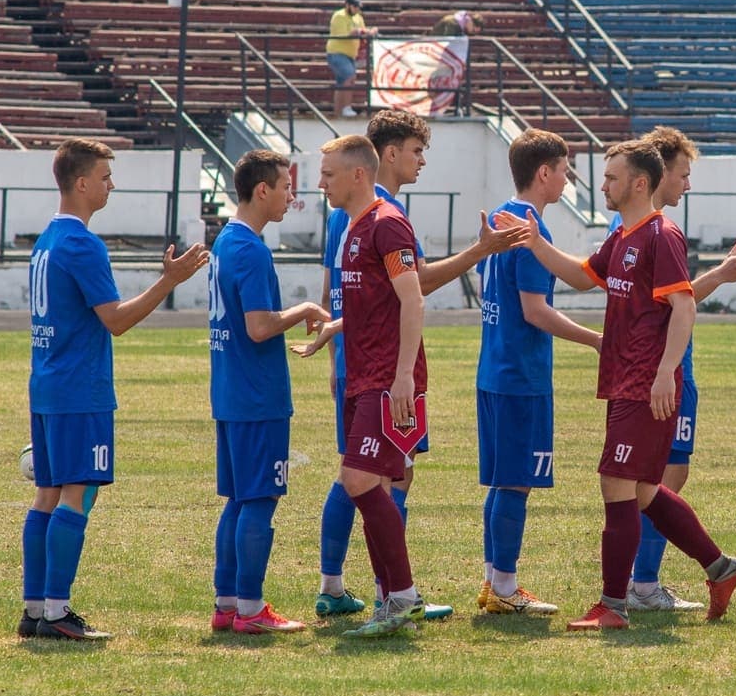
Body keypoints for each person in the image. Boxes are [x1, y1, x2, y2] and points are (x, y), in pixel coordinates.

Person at [518, 139, 736, 631]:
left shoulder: (661, 235)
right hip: (626, 379)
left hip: (646, 382)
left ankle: (613, 606)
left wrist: (665, 372)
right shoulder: (623, 235)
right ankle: (720, 568)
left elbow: (684, 307)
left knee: (618, 485)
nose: (602, 185)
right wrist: (534, 242)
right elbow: (583, 277)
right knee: (642, 490)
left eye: (611, 178)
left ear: (639, 183)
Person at [301, 107, 521, 616]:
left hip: (364, 362)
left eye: (327, 176)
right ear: (387, 155)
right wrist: (478, 252)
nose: (422, 161)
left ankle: (369, 590)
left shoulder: (361, 217)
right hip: (377, 368)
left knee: (375, 474)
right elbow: (412, 288)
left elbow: (349, 291)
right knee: (367, 477)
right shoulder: (372, 216)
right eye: (417, 151)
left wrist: (334, 337)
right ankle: (384, 592)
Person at [21, 139, 207, 641]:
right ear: (81, 183)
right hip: (80, 389)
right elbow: (116, 320)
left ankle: (35, 607)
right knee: (75, 495)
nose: (111, 184)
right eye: (104, 176)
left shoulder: (45, 241)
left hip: (48, 385)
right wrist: (168, 282)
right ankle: (57, 613)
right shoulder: (82, 243)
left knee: (48, 495)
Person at [621, 126, 736, 613]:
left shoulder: (645, 229)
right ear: (657, 175)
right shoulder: (658, 231)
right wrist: (718, 277)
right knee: (660, 480)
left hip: (660, 367)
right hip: (665, 370)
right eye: (683, 174)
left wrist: (717, 277)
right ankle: (642, 585)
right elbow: (677, 305)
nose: (687, 184)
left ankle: (640, 584)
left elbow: (671, 298)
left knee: (653, 480)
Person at [317, 133, 444, 638]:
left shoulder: (387, 226)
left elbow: (412, 301)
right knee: (373, 484)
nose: (321, 183)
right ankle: (394, 600)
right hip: (362, 375)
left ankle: (403, 597)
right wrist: (333, 332)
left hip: (387, 379)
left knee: (359, 480)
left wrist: (402, 379)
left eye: (328, 175)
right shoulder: (350, 227)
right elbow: (370, 306)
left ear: (358, 175)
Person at [473, 129, 601, 615]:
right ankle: (505, 589)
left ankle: (493, 583)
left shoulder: (505, 217)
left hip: (495, 370)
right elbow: (535, 310)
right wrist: (595, 339)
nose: (568, 179)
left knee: (505, 480)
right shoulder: (531, 228)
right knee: (517, 482)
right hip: (519, 374)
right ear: (543, 172)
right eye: (565, 170)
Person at [207, 149, 327, 635]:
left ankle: (227, 603)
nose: (291, 196)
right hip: (258, 397)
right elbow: (259, 327)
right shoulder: (251, 249)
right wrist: (302, 310)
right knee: (259, 500)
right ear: (262, 190)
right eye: (286, 187)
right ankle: (252, 609)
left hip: (231, 392)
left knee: (237, 499)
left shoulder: (224, 242)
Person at [326, 0, 371, 116]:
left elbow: (362, 31)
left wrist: (368, 32)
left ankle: (338, 111)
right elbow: (342, 34)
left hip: (350, 54)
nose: (357, 9)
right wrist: (355, 32)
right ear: (348, 6)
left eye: (358, 7)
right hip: (337, 52)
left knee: (342, 83)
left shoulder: (358, 17)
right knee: (349, 77)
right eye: (355, 6)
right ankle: (346, 107)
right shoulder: (339, 16)